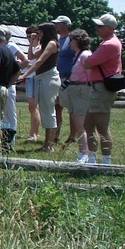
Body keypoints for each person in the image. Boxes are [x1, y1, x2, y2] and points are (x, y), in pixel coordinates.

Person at [81, 13, 123, 165]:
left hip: (101, 88)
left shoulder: (109, 44)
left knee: (102, 126)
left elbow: (88, 62)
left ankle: (106, 161)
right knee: (88, 124)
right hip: (99, 87)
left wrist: (89, 60)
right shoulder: (109, 42)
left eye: (100, 26)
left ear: (109, 28)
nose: (96, 28)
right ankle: (92, 157)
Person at [18, 22, 62, 152]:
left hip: (49, 78)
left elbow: (39, 61)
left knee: (48, 111)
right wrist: (32, 43)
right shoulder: (45, 44)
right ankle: (47, 144)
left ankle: (49, 145)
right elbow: (31, 57)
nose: (39, 35)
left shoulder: (52, 43)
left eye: (41, 32)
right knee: (44, 110)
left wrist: (25, 74)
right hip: (41, 78)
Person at [63, 29, 94, 163]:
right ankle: (84, 152)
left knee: (81, 124)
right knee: (77, 122)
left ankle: (85, 153)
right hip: (74, 89)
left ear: (77, 41)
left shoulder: (85, 55)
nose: (69, 43)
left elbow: (90, 75)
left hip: (82, 90)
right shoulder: (77, 55)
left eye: (71, 40)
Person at [52, 15, 80, 145]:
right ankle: (55, 134)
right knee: (56, 107)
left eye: (59, 23)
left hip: (68, 77)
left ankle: (73, 135)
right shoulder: (57, 39)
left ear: (66, 25)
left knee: (70, 108)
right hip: (57, 77)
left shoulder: (72, 40)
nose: (57, 25)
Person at [23, 24, 42, 141]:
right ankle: (34, 131)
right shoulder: (33, 47)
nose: (29, 38)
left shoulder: (40, 47)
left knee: (33, 106)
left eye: (31, 36)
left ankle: (34, 133)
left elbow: (31, 59)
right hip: (30, 77)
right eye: (28, 36)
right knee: (32, 107)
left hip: (34, 77)